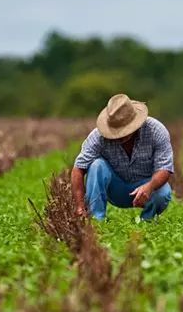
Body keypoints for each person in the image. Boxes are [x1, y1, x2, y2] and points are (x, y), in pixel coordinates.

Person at [71, 93, 174, 221]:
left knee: (163, 192)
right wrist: (80, 206)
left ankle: (147, 222)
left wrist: (149, 186)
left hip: (145, 187)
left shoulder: (156, 131)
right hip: (115, 189)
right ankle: (96, 221)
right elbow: (78, 168)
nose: (120, 135)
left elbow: (164, 168)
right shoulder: (98, 137)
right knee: (97, 165)